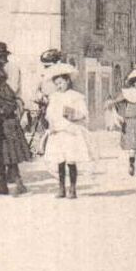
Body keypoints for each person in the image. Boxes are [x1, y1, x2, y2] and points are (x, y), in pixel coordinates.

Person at [42, 63, 93, 199]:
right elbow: (50, 114)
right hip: (58, 132)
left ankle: (73, 188)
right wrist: (51, 123)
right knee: (60, 161)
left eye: (61, 83)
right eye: (56, 84)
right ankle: (61, 187)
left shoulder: (76, 96)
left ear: (68, 81)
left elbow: (83, 113)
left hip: (70, 132)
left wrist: (72, 113)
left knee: (71, 160)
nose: (59, 86)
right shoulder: (53, 97)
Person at [0, 60, 32, 196]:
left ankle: (19, 184)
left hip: (7, 126)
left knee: (10, 157)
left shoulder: (4, 89)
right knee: (0, 157)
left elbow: (10, 106)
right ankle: (2, 185)